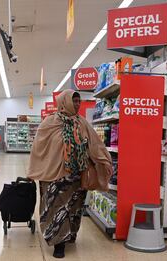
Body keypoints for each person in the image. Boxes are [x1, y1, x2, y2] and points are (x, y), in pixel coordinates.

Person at [27, 90, 112, 258]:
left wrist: (105, 160)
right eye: (74, 101)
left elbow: (95, 144)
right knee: (55, 209)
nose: (78, 104)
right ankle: (58, 243)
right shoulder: (49, 123)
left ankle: (68, 237)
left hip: (76, 177)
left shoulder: (82, 123)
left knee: (73, 208)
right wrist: (34, 170)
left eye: (79, 101)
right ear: (64, 102)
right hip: (52, 176)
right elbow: (38, 148)